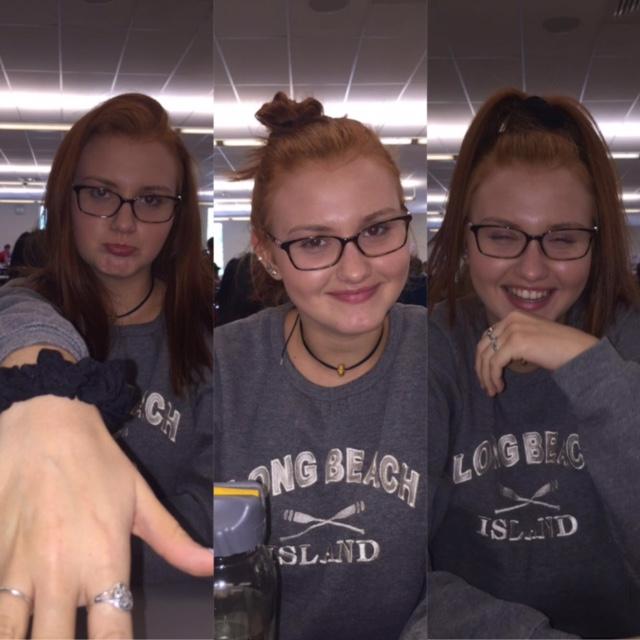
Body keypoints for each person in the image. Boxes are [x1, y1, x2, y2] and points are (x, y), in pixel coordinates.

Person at [427, 88, 640, 638]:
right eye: (502, 236)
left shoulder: (627, 339)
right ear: (465, 239)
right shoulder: (429, 351)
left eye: (564, 238)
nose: (532, 269)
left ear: (597, 244)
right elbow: (395, 571)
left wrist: (589, 366)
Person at [214, 92, 427, 640]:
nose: (354, 269)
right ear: (265, 252)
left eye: (378, 230)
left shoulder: (445, 357)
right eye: (314, 241)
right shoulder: (219, 372)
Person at [0, 93, 213, 639]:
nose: (124, 222)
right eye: (100, 194)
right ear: (66, 198)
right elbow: (24, 326)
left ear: (177, 213)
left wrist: (90, 531)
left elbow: (219, 507)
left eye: (150, 199)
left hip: (172, 618)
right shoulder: (27, 306)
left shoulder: (210, 345)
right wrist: (44, 393)